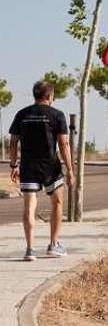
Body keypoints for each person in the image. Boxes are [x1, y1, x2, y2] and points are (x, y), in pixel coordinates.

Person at [8, 81, 75, 261]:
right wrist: (70, 169)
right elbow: (64, 144)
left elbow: (13, 142)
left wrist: (14, 165)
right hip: (50, 167)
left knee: (29, 206)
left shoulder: (22, 114)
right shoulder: (57, 115)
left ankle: (30, 249)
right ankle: (53, 245)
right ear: (50, 96)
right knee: (57, 202)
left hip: (28, 167)